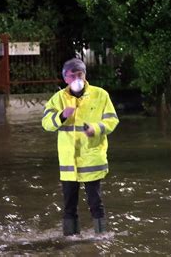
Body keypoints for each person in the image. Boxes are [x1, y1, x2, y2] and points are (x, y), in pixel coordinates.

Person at [42, 58, 119, 236]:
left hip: (92, 159)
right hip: (69, 163)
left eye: (80, 74)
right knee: (69, 205)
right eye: (73, 75)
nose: (78, 78)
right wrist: (62, 115)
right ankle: (70, 240)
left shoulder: (100, 95)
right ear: (65, 78)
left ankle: (101, 237)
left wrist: (96, 128)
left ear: (85, 75)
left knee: (96, 203)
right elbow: (46, 123)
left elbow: (112, 120)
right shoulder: (58, 99)